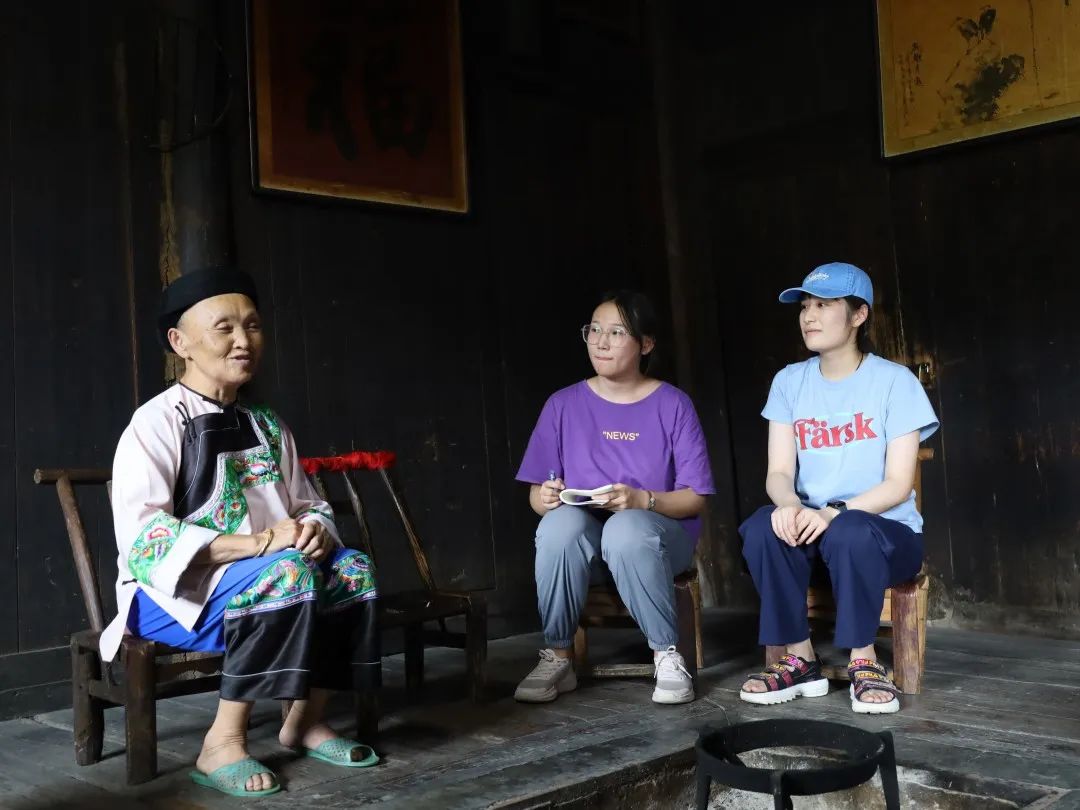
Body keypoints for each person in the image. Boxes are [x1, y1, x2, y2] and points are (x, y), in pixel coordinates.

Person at [100, 268, 380, 797]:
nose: (243, 340)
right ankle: (222, 743)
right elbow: (143, 541)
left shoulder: (267, 424)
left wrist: (316, 530)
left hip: (270, 579)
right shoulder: (154, 423)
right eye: (224, 328)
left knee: (352, 570)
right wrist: (260, 544)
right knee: (286, 572)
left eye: (252, 326)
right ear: (180, 342)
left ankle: (305, 721)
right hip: (171, 596)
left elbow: (309, 504)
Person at [738, 262, 938, 714]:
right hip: (812, 533)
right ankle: (800, 659)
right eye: (804, 306)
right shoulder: (789, 381)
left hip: (885, 536)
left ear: (858, 315)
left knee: (850, 530)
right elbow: (778, 472)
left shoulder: (895, 382)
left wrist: (834, 511)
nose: (809, 316)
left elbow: (897, 484)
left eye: (823, 305)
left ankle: (864, 661)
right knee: (764, 526)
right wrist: (789, 506)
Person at [514, 290, 715, 705]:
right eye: (594, 330)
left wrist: (643, 500)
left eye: (617, 332)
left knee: (626, 529)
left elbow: (695, 498)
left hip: (659, 534)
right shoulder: (562, 405)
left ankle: (666, 655)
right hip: (587, 536)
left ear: (646, 343)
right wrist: (546, 497)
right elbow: (536, 494)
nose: (601, 342)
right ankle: (558, 656)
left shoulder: (673, 404)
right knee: (558, 525)